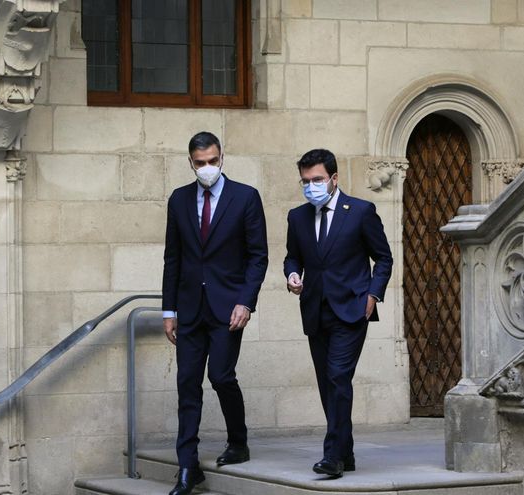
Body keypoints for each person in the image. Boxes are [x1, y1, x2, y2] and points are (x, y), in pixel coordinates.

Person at [162, 131, 268, 495]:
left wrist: (246, 301)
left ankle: (238, 441)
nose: (206, 168)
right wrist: (169, 309)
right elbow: (173, 258)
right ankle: (188, 468)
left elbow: (258, 256)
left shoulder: (245, 198)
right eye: (199, 163)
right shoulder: (178, 200)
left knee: (221, 376)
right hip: (190, 308)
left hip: (228, 308)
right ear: (190, 162)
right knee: (187, 384)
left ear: (222, 157)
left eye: (212, 161)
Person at [283, 148, 393, 478]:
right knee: (326, 383)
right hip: (315, 310)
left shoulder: (360, 211)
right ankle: (346, 449)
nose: (310, 186)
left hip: (352, 309)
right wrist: (291, 275)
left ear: (333, 178)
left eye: (316, 180)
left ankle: (332, 456)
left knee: (338, 377)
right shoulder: (297, 217)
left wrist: (373, 295)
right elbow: (293, 257)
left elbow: (383, 258)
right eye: (305, 181)